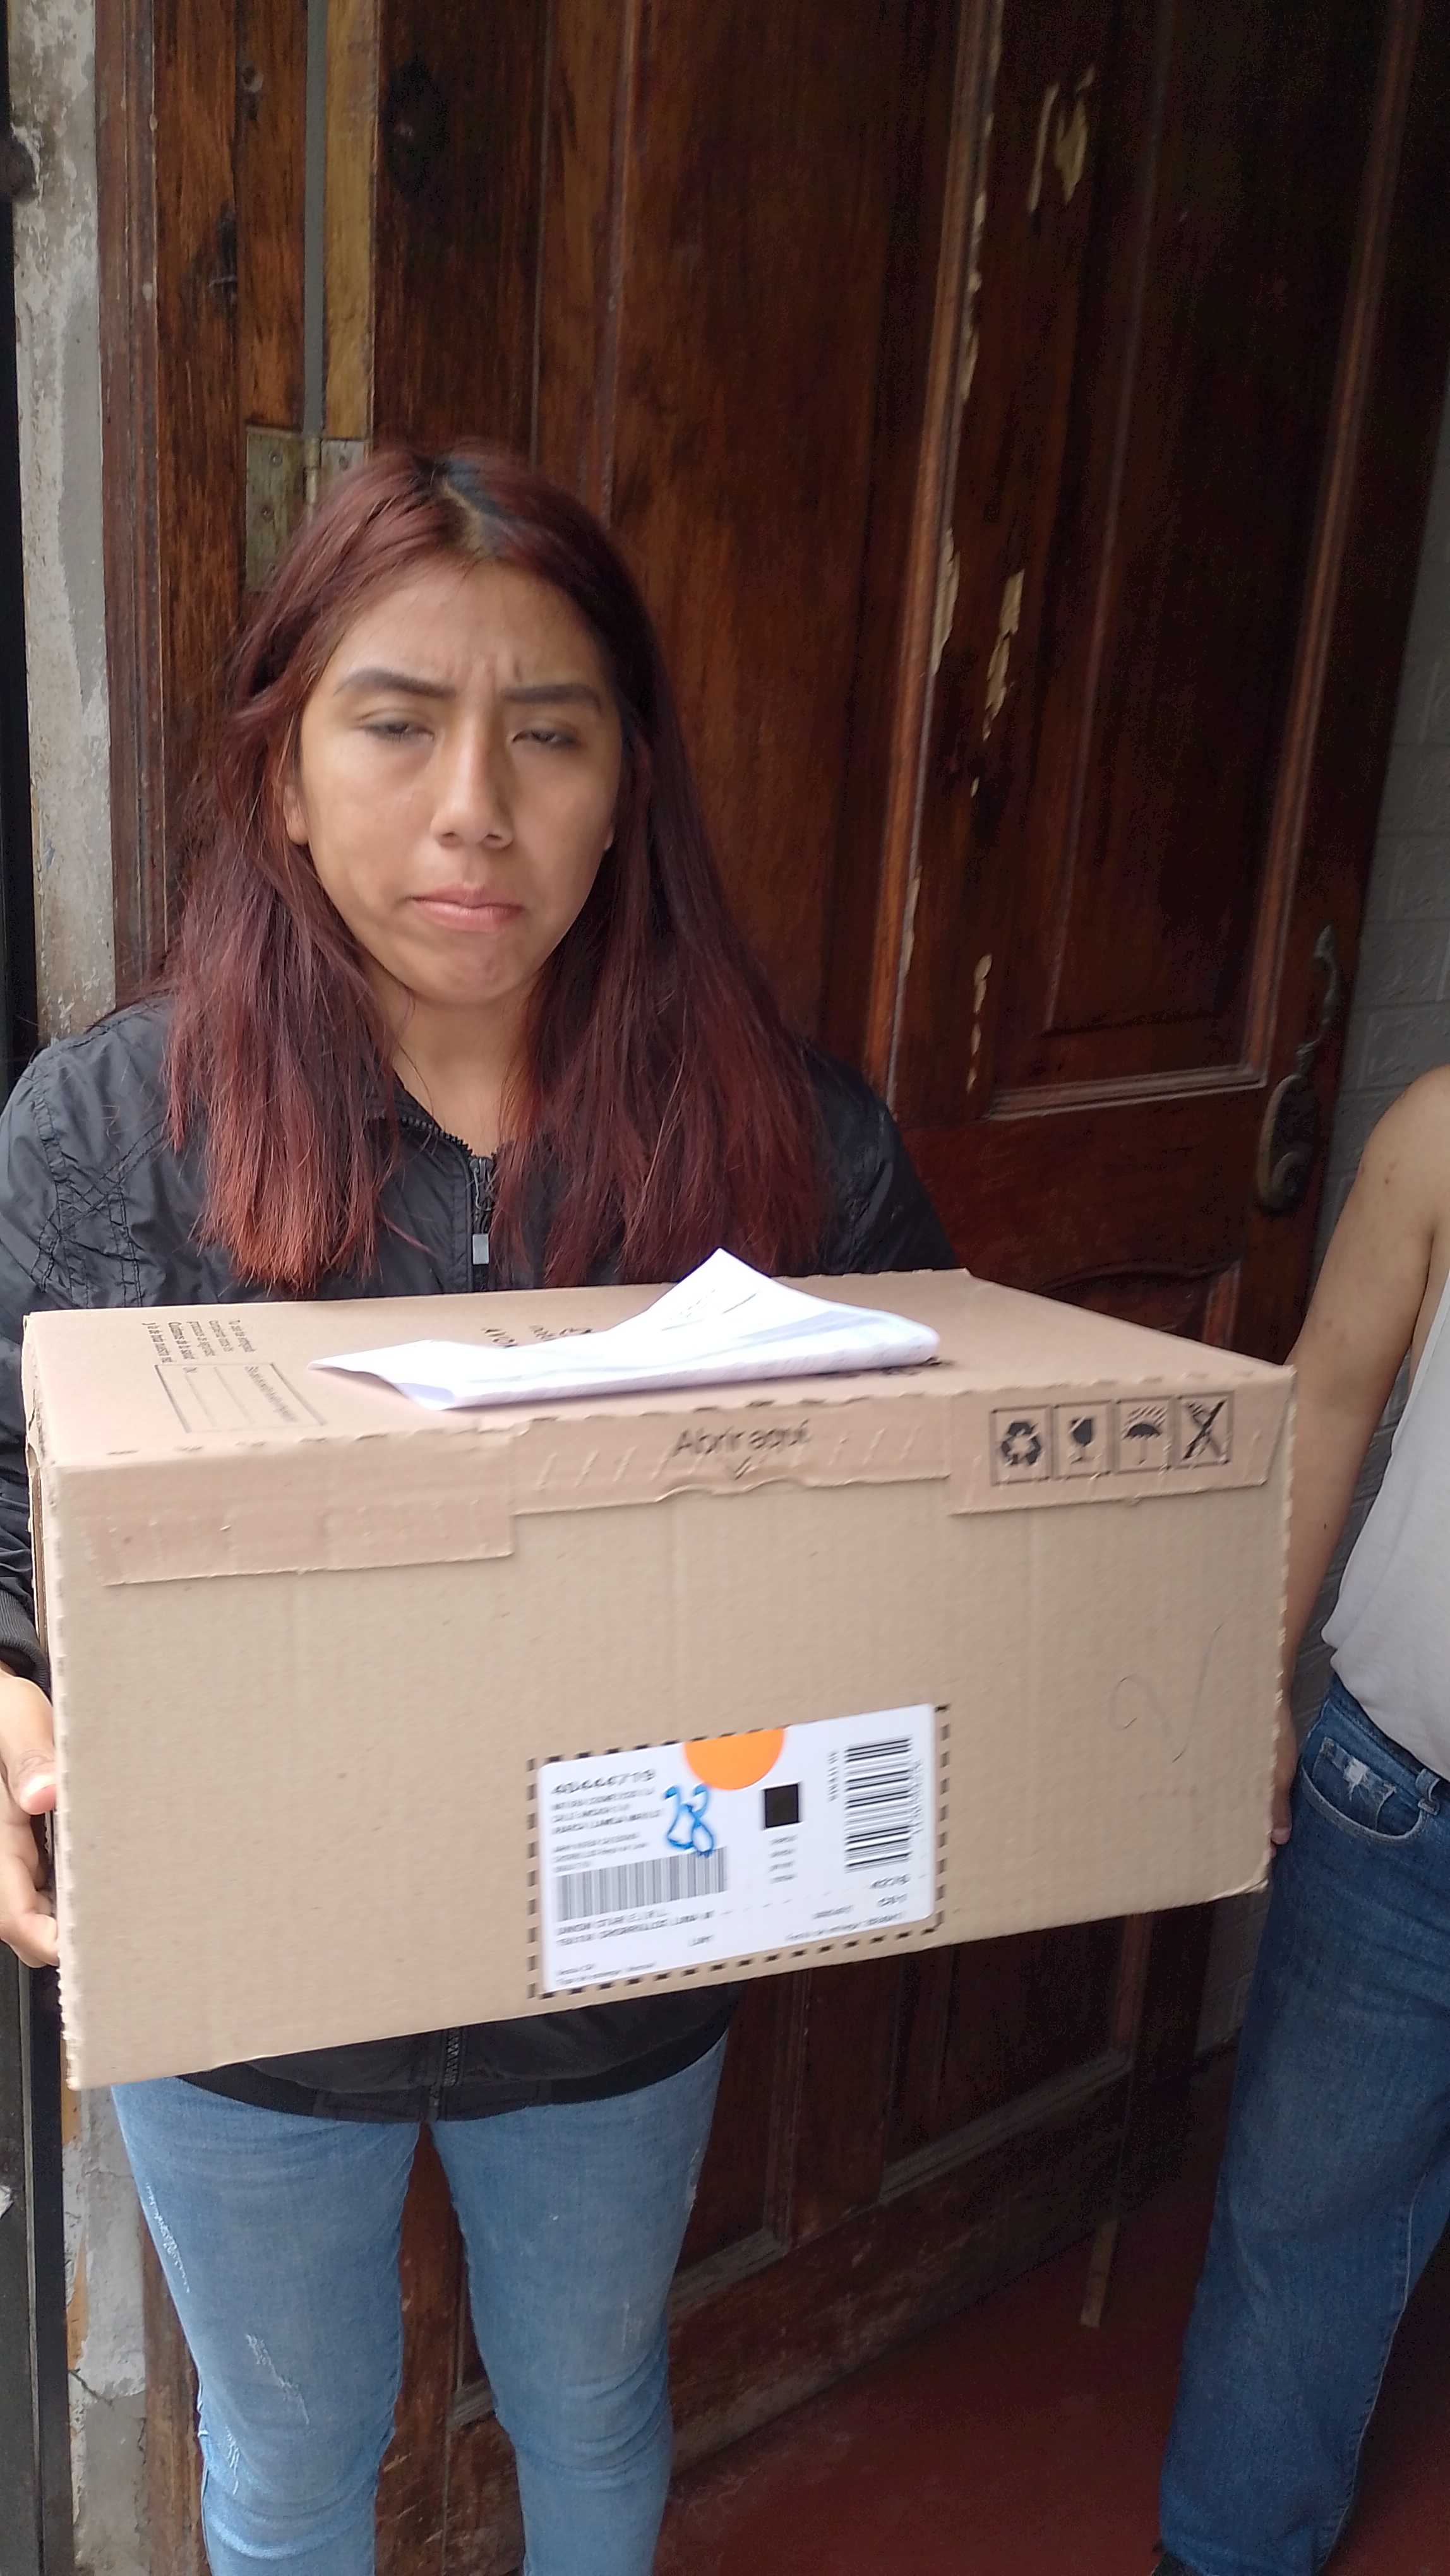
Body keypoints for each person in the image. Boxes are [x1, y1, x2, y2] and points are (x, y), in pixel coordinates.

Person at [0, 446, 954, 2576]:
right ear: (280, 776)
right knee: (288, 2458)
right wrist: (5, 1695)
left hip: (626, 1949)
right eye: (396, 723)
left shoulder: (790, 1147)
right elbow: (5, 1492)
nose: (473, 809)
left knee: (591, 2405)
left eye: (548, 735)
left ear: (627, 789)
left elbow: (934, 1496)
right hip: (250, 1992)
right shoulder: (110, 1131)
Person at [1154, 1066, 1450, 2576]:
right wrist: (1252, 1683)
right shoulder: (1440, 1129)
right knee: (1294, 2229)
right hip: (1399, 1806)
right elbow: (1324, 1397)